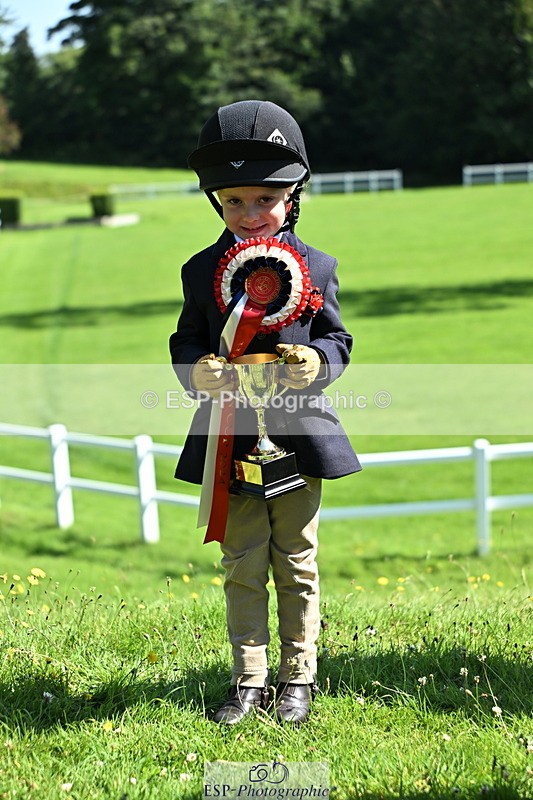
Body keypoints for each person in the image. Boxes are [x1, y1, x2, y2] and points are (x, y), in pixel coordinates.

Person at [169, 100, 361, 724]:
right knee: (243, 560)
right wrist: (196, 368)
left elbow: (337, 338)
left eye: (265, 200)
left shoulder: (319, 267)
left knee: (296, 559)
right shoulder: (201, 271)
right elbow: (186, 339)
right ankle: (249, 679)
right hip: (229, 439)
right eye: (234, 202)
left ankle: (298, 675)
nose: (250, 215)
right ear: (216, 203)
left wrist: (318, 362)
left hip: (299, 438)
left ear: (293, 195)